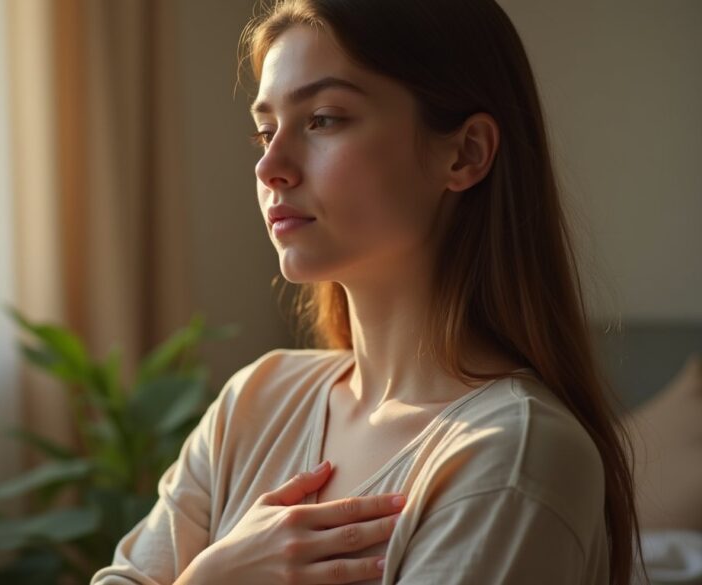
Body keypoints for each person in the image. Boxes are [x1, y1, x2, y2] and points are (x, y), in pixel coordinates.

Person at [90, 0, 643, 583]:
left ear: (466, 152)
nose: (269, 166)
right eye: (264, 130)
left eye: (323, 118)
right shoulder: (254, 402)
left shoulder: (518, 454)